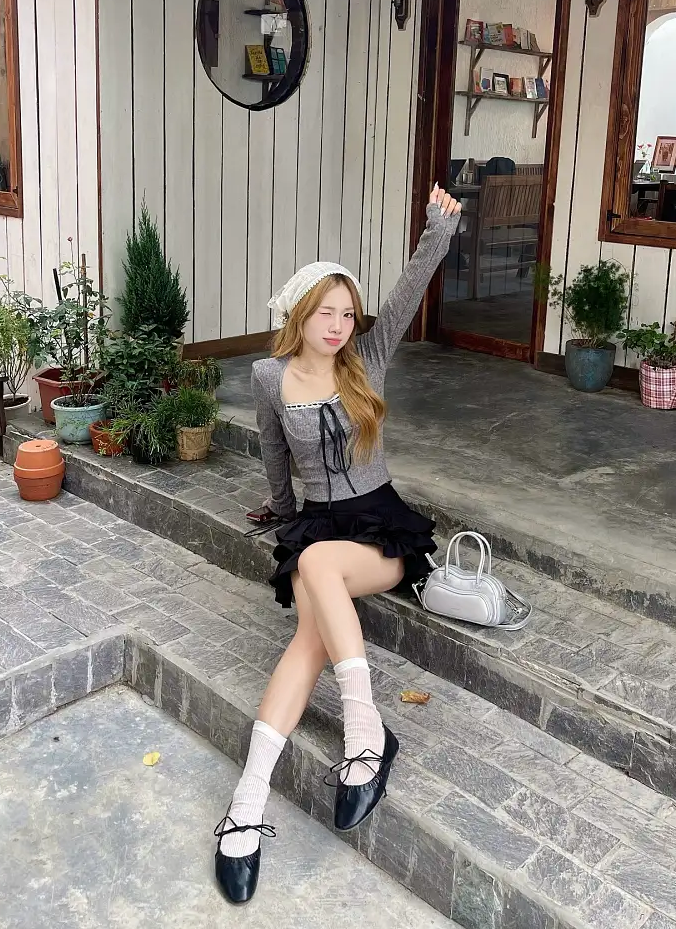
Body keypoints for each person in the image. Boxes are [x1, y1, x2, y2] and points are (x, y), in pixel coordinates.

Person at [213, 185, 462, 904]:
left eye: (347, 313)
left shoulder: (368, 359)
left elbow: (409, 288)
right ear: (300, 313)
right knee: (306, 635)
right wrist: (284, 518)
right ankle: (248, 802)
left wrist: (438, 229)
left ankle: (362, 730)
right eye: (326, 312)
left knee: (319, 569)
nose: (339, 325)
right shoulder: (270, 376)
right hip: (319, 525)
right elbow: (273, 455)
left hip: (380, 528)